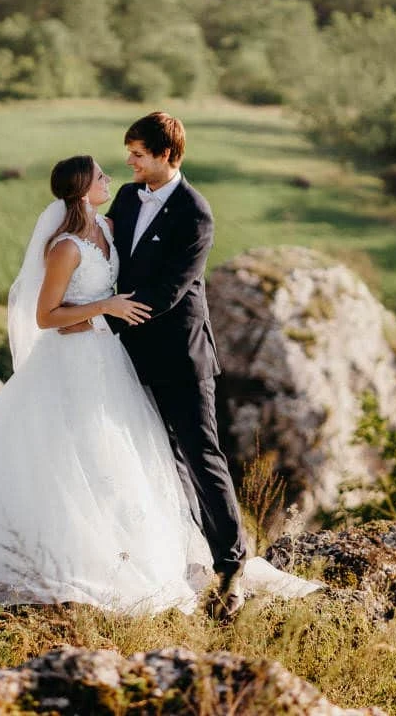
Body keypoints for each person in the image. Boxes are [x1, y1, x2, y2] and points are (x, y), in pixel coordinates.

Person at [0, 153, 317, 615]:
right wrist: (106, 309)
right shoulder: (65, 247)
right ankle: (57, 555)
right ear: (81, 189)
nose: (112, 178)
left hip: (112, 359)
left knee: (123, 452)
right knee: (70, 457)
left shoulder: (110, 227)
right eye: (101, 176)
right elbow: (45, 316)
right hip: (73, 360)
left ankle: (140, 549)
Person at [104, 112, 250, 619]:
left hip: (179, 355)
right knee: (139, 454)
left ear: (168, 155)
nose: (129, 162)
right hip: (124, 353)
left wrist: (107, 320)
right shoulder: (125, 197)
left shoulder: (196, 214)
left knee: (200, 455)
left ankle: (231, 566)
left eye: (139, 154)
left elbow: (167, 293)